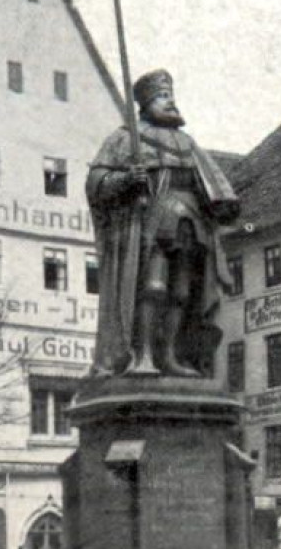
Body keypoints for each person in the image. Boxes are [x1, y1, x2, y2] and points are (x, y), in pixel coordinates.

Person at [85, 69, 241, 378]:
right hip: (152, 219)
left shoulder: (187, 142)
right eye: (161, 97)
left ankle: (169, 356)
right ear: (144, 104)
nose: (170, 103)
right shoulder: (125, 137)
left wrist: (225, 203)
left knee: (181, 291)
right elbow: (96, 182)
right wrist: (126, 179)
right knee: (153, 286)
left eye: (171, 96)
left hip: (191, 222)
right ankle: (141, 354)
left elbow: (215, 183)